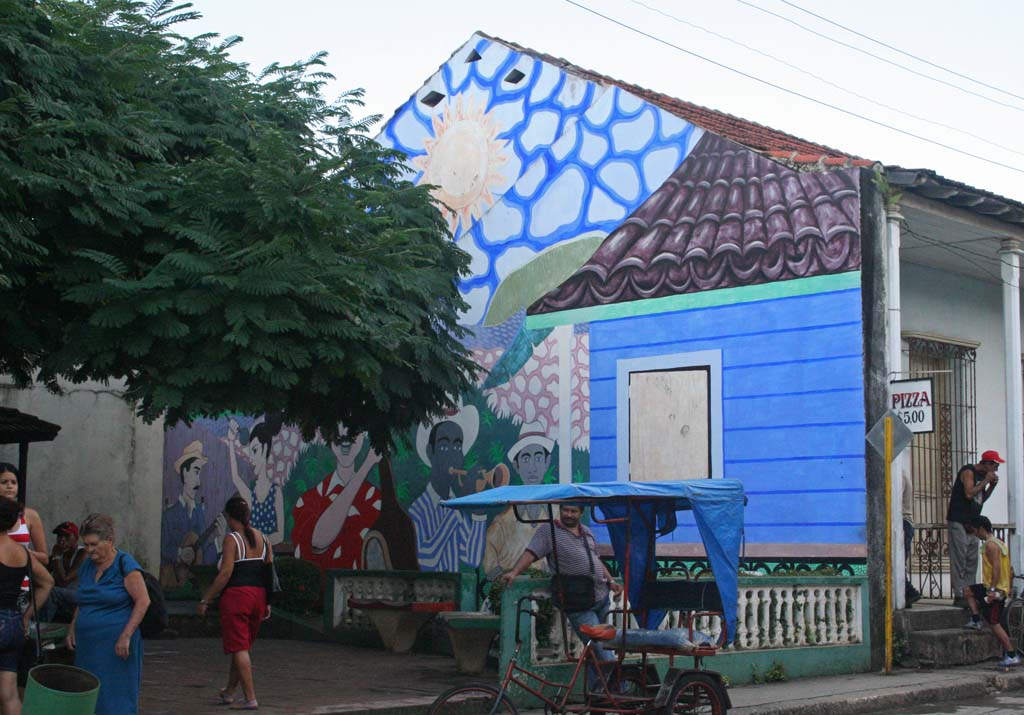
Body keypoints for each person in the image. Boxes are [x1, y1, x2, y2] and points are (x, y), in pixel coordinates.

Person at [499, 504, 623, 663]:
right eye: (566, 510)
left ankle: (597, 688)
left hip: (601, 597)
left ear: (580, 513)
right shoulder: (549, 531)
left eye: (573, 511)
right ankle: (618, 686)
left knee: (597, 653)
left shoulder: (586, 531)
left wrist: (611, 581)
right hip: (578, 601)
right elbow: (531, 553)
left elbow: (596, 560)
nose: (569, 514)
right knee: (603, 652)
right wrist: (514, 572)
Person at [66, 514, 150, 715]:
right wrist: (72, 627)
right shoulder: (86, 565)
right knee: (89, 693)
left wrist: (126, 635)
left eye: (94, 544)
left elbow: (143, 600)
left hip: (116, 644)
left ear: (109, 541)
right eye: (86, 545)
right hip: (88, 644)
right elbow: (83, 599)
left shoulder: (125, 564)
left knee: (116, 697)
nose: (89, 550)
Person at [197, 496, 272, 710]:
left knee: (239, 648)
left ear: (229, 518)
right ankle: (229, 692)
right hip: (258, 596)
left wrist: (206, 598)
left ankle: (250, 698)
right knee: (242, 647)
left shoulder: (232, 539)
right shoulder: (264, 539)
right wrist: (268, 601)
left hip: (238, 597)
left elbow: (226, 573)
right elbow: (269, 572)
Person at [409, 401, 488, 572]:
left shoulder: (455, 504)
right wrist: (456, 509)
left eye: (458, 446)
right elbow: (425, 560)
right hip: (427, 595)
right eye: (444, 446)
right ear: (431, 453)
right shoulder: (418, 510)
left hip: (454, 595)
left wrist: (478, 511)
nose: (453, 455)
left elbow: (472, 558)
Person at [292, 425, 382, 571]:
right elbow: (318, 541)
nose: (345, 435)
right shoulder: (310, 500)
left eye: (351, 426)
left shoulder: (374, 499)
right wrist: (367, 465)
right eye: (337, 426)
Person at [0, 496, 52, 715]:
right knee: (9, 694)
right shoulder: (22, 553)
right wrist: (26, 615)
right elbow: (47, 582)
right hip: (13, 623)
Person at [483, 422, 553, 579]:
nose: (533, 467)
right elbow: (490, 561)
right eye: (526, 459)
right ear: (516, 465)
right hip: (513, 587)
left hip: (549, 589)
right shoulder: (503, 521)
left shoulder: (558, 513)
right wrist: (504, 583)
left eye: (539, 457)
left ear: (547, 462)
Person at [161, 440, 223, 589]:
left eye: (200, 473)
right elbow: (162, 547)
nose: (198, 480)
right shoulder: (169, 514)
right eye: (196, 471)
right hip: (173, 583)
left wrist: (219, 541)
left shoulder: (199, 513)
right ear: (184, 472)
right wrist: (179, 553)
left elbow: (203, 554)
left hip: (195, 583)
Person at [962, 516, 1020, 667]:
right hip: (994, 586)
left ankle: (1011, 654)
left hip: (995, 589)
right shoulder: (1000, 543)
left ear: (981, 528)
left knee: (994, 623)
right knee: (968, 590)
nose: (975, 534)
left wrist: (993, 590)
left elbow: (997, 568)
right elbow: (1010, 570)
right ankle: (976, 619)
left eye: (975, 530)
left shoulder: (991, 546)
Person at [947, 450, 1002, 607]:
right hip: (958, 520)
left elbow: (979, 499)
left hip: (972, 523)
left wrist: (991, 487)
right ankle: (959, 594)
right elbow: (969, 493)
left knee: (972, 559)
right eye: (995, 465)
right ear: (987, 464)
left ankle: (968, 593)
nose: (996, 469)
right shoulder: (968, 472)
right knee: (959, 558)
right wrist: (986, 481)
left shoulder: (982, 478)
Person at [226, 417, 285, 545]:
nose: (251, 458)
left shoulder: (276, 493)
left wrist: (259, 543)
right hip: (253, 556)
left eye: (254, 450)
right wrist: (231, 441)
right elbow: (235, 478)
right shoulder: (252, 496)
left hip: (266, 557)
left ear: (264, 449)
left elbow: (280, 535)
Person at [0, 464, 48, 590]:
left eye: (14, 482)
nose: (9, 486)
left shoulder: (30, 515)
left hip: (22, 586)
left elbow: (44, 558)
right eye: (4, 482)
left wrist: (24, 553)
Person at [41, 521, 84, 622]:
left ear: (76, 538)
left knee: (52, 592)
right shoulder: (58, 555)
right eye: (59, 536)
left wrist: (57, 556)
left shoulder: (82, 553)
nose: (62, 539)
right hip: (63, 599)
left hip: (80, 598)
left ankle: (42, 629)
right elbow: (41, 575)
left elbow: (64, 582)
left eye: (67, 536)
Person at [902, 472, 921, 607]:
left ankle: (909, 591)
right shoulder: (902, 475)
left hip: (902, 521)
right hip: (905, 522)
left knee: (898, 561)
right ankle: (907, 592)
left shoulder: (898, 476)